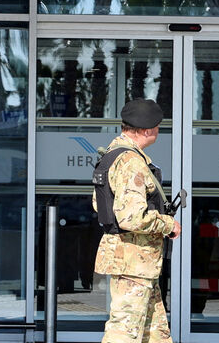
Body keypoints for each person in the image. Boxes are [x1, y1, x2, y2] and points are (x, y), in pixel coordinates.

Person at [92, 98, 181, 343]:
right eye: (158, 126)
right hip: (133, 258)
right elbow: (130, 217)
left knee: (155, 333)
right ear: (146, 130)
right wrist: (168, 224)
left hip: (137, 261)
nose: (158, 131)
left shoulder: (113, 155)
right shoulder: (130, 162)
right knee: (124, 333)